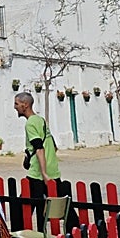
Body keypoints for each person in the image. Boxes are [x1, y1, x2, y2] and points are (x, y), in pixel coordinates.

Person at [14, 91, 77, 230]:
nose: (15, 107)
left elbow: (39, 148)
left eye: (16, 104)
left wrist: (43, 172)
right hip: (53, 170)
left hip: (37, 173)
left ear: (25, 105)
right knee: (64, 206)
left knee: (22, 208)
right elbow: (53, 146)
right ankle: (77, 232)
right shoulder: (41, 120)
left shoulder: (30, 124)